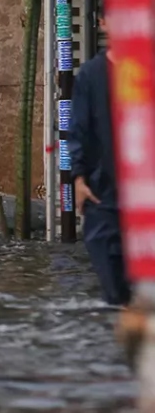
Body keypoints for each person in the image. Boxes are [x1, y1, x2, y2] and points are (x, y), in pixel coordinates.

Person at [70, 15, 131, 307]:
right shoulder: (91, 75)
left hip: (144, 196)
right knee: (114, 291)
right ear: (104, 22)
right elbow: (79, 129)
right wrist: (79, 179)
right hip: (102, 192)